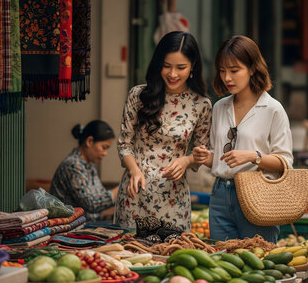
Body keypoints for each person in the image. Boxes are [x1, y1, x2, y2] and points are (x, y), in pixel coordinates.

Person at [193, 36, 293, 242]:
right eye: (222, 71)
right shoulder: (220, 107)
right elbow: (221, 159)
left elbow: (285, 163)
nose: (227, 78)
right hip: (220, 194)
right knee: (222, 263)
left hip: (258, 195)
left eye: (234, 70)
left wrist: (253, 157)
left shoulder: (272, 109)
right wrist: (205, 157)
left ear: (252, 68)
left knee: (260, 264)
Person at [113, 31, 212, 232]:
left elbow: (202, 153)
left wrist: (186, 161)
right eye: (167, 66)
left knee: (172, 256)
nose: (172, 74)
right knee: (132, 258)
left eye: (181, 67)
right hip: (135, 196)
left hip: (173, 198)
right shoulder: (138, 95)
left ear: (193, 66)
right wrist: (134, 171)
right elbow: (124, 144)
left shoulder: (201, 104)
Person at [50, 120, 119, 221]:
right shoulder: (72, 165)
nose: (105, 153)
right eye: (104, 147)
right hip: (70, 227)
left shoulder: (88, 166)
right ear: (89, 141)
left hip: (87, 223)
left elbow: (100, 196)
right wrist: (120, 189)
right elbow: (91, 204)